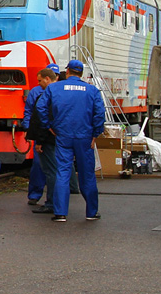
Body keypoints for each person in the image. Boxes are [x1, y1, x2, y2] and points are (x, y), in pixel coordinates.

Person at [37, 59, 104, 222]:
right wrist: (96, 133)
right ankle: (91, 212)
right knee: (87, 174)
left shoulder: (54, 87)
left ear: (66, 72)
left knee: (62, 172)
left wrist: (49, 126)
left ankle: (60, 213)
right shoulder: (92, 90)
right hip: (85, 136)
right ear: (81, 73)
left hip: (63, 135)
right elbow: (99, 114)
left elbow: (40, 107)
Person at [21, 66, 59, 214]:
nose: (39, 83)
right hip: (53, 137)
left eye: (40, 80)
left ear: (47, 78)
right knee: (45, 167)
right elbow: (30, 111)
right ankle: (39, 196)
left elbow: (41, 117)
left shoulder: (47, 93)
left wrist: (38, 137)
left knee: (50, 170)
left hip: (45, 137)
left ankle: (51, 202)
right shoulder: (37, 91)